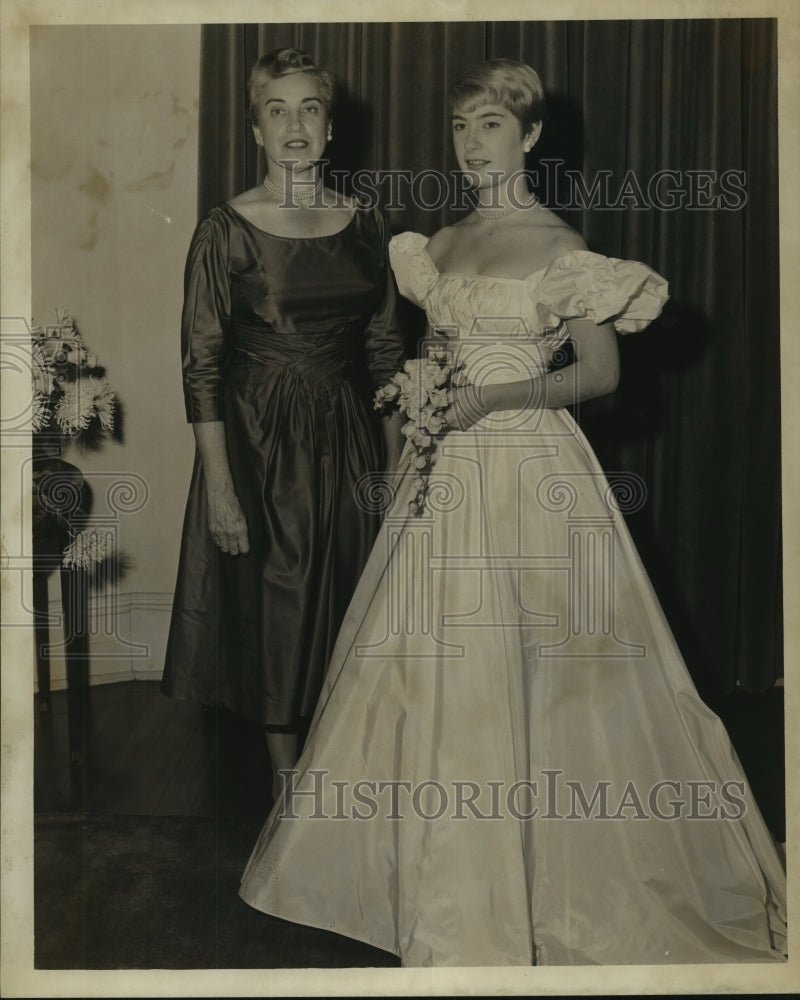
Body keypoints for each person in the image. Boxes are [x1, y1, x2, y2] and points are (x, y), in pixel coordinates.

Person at [238, 59, 787, 965]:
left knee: (543, 679)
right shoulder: (440, 244)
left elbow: (599, 376)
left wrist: (492, 401)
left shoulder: (563, 248)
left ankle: (552, 882)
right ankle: (433, 882)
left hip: (531, 475)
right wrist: (423, 389)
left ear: (529, 137)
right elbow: (444, 354)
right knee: (430, 671)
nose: (471, 142)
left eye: (490, 124)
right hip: (443, 479)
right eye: (460, 126)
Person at [162, 47, 406, 800]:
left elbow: (388, 352)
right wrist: (221, 492)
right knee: (281, 608)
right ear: (258, 130)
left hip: (351, 438)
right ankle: (289, 790)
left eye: (310, 109)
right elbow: (200, 368)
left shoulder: (370, 227)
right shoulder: (225, 230)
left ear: (330, 129)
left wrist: (398, 469)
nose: (295, 125)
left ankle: (352, 769)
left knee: (352, 597)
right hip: (258, 443)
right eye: (278, 110)